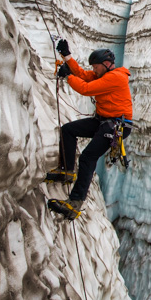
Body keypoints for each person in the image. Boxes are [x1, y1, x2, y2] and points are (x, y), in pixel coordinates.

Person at [46, 39, 132, 220]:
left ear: (106, 65)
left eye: (96, 66)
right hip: (103, 121)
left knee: (88, 157)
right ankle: (67, 171)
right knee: (68, 130)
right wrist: (67, 57)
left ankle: (74, 204)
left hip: (117, 126)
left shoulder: (116, 77)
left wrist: (67, 77)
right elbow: (83, 75)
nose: (93, 69)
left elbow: (85, 88)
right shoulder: (103, 75)